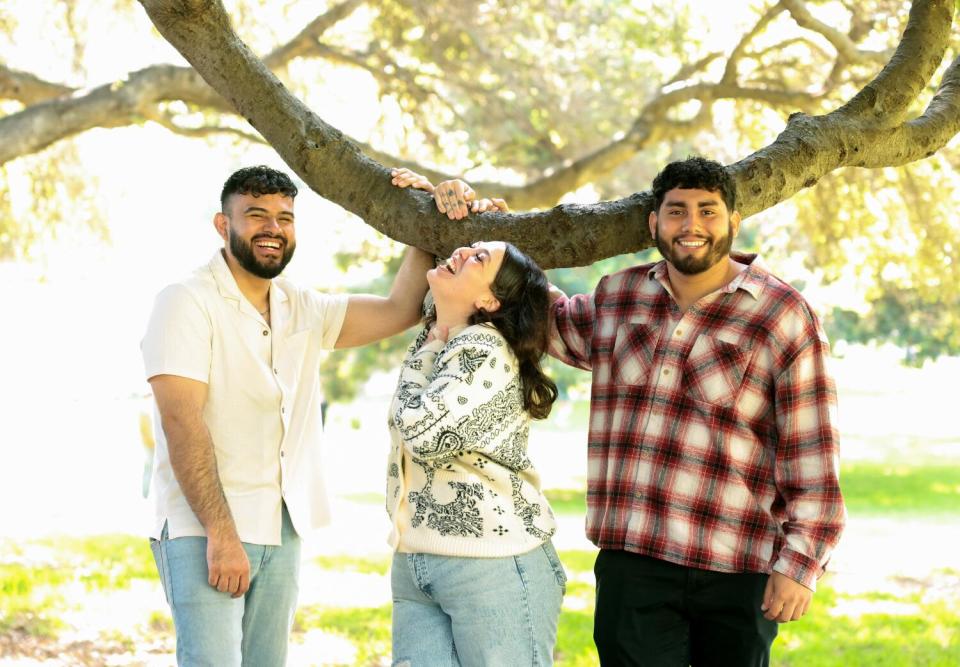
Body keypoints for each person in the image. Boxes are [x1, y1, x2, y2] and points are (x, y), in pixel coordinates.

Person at [548, 157, 846, 665]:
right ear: (653, 224)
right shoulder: (619, 297)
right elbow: (539, 316)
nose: (691, 226)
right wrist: (479, 228)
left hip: (738, 568)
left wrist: (801, 563)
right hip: (633, 561)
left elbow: (812, 452)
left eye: (708, 212)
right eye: (676, 212)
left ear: (734, 222)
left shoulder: (783, 315)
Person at [141, 165, 433, 666]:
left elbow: (399, 308)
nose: (273, 228)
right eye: (256, 215)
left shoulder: (301, 305)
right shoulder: (185, 301)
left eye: (285, 217)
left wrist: (421, 214)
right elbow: (181, 423)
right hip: (204, 529)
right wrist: (222, 535)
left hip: (282, 526)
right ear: (221, 225)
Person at [388, 172, 567, 665]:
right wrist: (431, 195)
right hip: (416, 562)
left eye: (478, 258)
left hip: (492, 561)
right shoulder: (441, 333)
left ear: (490, 301)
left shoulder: (483, 348)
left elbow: (421, 433)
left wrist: (435, 342)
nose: (463, 253)